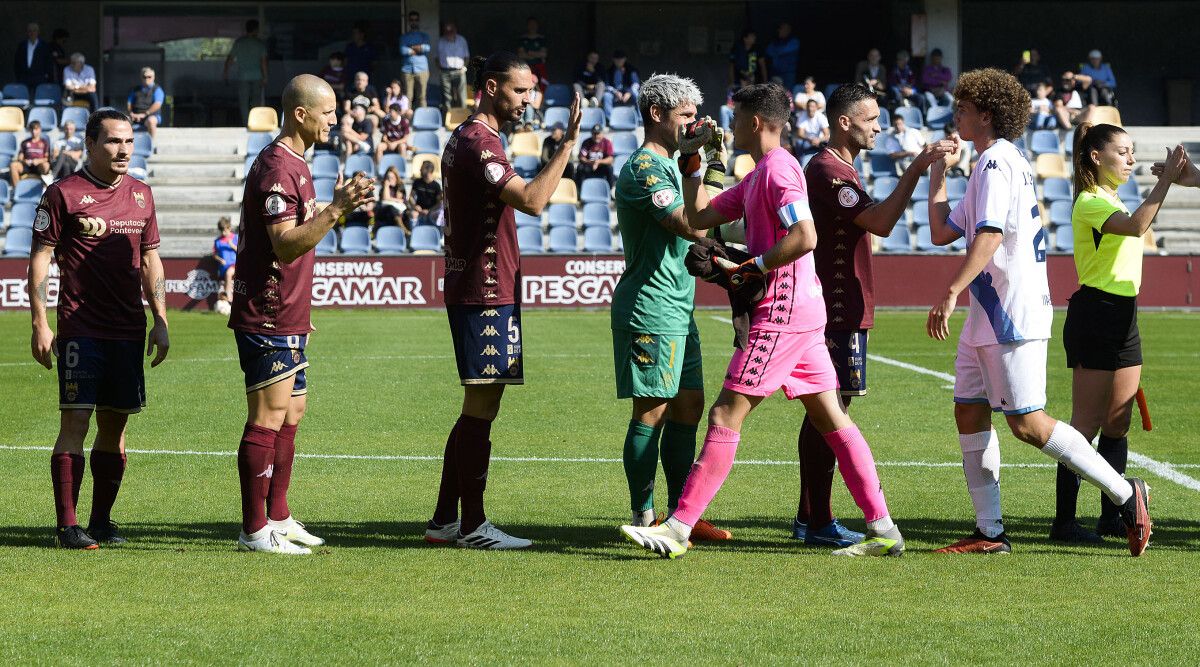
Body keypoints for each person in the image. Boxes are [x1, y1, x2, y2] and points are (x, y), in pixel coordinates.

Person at [621, 83, 906, 559]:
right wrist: (694, 162)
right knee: (832, 418)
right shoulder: (758, 175)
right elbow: (700, 214)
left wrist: (749, 268)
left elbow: (806, 236)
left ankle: (677, 528)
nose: (728, 126)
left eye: (735, 118)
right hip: (803, 312)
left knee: (724, 414)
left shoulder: (779, 170)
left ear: (754, 122)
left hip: (782, 314)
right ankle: (884, 529)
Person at [924, 67, 1151, 557]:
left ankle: (1127, 494)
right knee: (968, 409)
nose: (954, 113)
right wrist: (937, 173)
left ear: (985, 113)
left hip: (1010, 311)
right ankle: (990, 533)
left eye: (962, 107)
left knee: (1028, 424)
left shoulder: (994, 164)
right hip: (989, 312)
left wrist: (950, 290)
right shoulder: (995, 161)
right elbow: (943, 231)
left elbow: (989, 235)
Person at [424, 51, 581, 550]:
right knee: (481, 404)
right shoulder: (478, 142)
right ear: (491, 87)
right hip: (483, 290)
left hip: (486, 286)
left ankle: (445, 520)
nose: (529, 100)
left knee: (478, 405)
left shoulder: (475, 138)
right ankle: (473, 526)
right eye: (520, 90)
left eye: (532, 91)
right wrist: (567, 145)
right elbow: (533, 201)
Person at [792, 83, 956, 548]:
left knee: (828, 412)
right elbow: (881, 223)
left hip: (846, 308)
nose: (880, 127)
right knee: (829, 413)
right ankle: (815, 520)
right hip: (837, 310)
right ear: (844, 122)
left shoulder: (842, 168)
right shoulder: (827, 170)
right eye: (871, 120)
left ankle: (812, 517)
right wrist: (916, 169)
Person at [228, 74, 375, 555]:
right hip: (266, 312)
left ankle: (279, 515)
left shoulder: (299, 164)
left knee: (292, 410)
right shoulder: (277, 167)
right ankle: (255, 530)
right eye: (329, 111)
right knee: (267, 417)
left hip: (289, 312)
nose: (337, 119)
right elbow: (285, 246)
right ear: (301, 114)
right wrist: (336, 210)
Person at [28, 107, 169, 549]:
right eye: (112, 141)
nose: (123, 149)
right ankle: (67, 528)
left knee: (115, 428)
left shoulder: (143, 195)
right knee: (76, 421)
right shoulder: (63, 194)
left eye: (128, 141)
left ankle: (102, 522)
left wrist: (161, 319)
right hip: (81, 328)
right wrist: (40, 321)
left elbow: (150, 261)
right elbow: (40, 260)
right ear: (90, 144)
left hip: (128, 330)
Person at [610, 73, 732, 540]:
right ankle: (643, 515)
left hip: (680, 305)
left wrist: (705, 165)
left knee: (689, 406)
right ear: (656, 114)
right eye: (684, 116)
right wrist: (698, 169)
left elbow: (708, 213)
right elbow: (693, 225)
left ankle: (683, 516)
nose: (693, 124)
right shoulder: (645, 168)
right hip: (650, 306)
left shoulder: (675, 166)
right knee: (652, 410)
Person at [1050, 126, 1186, 542]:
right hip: (1097, 315)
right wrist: (1166, 179)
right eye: (1122, 152)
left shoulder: (1110, 197)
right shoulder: (1090, 201)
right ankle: (1064, 523)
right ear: (1095, 157)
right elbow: (1137, 226)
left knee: (1117, 423)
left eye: (1132, 153)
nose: (1130, 160)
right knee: (1084, 426)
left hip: (1124, 314)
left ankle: (1113, 515)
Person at [224, 20, 269, 125]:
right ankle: (255, 124)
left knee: (243, 103)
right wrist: (265, 77)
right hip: (257, 77)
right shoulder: (259, 44)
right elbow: (263, 62)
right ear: (256, 30)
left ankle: (245, 124)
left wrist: (225, 73)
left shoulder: (239, 43)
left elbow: (229, 60)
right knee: (256, 103)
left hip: (242, 77)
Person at [399, 10, 431, 109]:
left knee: (422, 96)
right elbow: (403, 50)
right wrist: (419, 48)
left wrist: (411, 47)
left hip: (422, 69)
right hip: (407, 69)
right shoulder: (404, 37)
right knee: (408, 97)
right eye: (412, 20)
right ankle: (408, 121)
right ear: (409, 21)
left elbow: (427, 48)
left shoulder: (424, 36)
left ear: (418, 21)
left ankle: (423, 119)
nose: (414, 22)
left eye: (416, 20)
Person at [437, 22, 469, 112]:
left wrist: (464, 67)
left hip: (459, 70)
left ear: (455, 30)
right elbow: (436, 58)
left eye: (451, 30)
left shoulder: (462, 40)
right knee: (447, 97)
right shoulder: (441, 41)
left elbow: (467, 56)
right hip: (445, 71)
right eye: (447, 30)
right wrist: (440, 69)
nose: (449, 32)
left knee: (461, 95)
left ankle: (463, 116)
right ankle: (449, 117)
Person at [10, 120, 51, 188]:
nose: (34, 131)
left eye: (36, 129)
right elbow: (20, 158)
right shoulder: (25, 142)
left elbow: (47, 158)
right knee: (13, 165)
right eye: (32, 129)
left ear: (40, 129)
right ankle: (16, 189)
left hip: (39, 166)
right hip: (27, 166)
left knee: (46, 165)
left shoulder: (44, 142)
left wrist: (38, 161)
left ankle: (46, 186)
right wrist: (24, 161)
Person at [126, 67, 165, 139]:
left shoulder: (157, 90)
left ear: (153, 77)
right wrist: (131, 113)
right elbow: (129, 103)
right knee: (123, 120)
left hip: (151, 115)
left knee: (151, 121)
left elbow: (157, 104)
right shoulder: (135, 89)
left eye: (149, 77)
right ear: (141, 77)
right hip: (135, 116)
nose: (147, 79)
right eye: (144, 77)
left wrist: (144, 114)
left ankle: (151, 145)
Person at [13, 22, 54, 89]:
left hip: (40, 78)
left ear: (38, 32)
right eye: (30, 31)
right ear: (27, 32)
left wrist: (48, 78)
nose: (32, 33)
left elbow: (49, 63)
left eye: (34, 30)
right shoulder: (22, 45)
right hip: (24, 78)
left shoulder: (44, 46)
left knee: (40, 97)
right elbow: (17, 62)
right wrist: (19, 76)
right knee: (24, 97)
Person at [603, 51, 640, 120]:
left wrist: (629, 92)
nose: (619, 61)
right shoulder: (609, 71)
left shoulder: (631, 70)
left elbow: (636, 84)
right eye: (617, 59)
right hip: (614, 93)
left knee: (637, 94)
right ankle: (610, 119)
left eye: (621, 59)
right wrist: (615, 92)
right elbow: (606, 85)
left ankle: (640, 119)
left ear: (625, 59)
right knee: (606, 96)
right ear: (613, 60)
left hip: (629, 93)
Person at [764, 22, 799, 90]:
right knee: (774, 92)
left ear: (788, 30)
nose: (779, 31)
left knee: (788, 94)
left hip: (788, 74)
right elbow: (768, 51)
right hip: (775, 72)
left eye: (782, 29)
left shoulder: (794, 41)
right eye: (779, 29)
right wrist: (778, 52)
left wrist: (777, 51)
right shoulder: (775, 41)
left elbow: (783, 51)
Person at [517, 18, 548, 92]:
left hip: (539, 67)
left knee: (542, 87)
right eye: (530, 24)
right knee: (526, 86)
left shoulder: (541, 39)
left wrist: (530, 53)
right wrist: (537, 54)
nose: (532, 26)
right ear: (527, 26)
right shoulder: (523, 39)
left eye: (534, 24)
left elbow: (544, 54)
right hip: (526, 67)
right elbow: (521, 55)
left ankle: (541, 103)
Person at [212, 216, 238, 306]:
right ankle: (226, 302)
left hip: (235, 265)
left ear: (229, 228)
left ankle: (229, 299)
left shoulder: (236, 238)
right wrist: (220, 260)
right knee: (226, 279)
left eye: (225, 230)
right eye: (221, 231)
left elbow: (242, 251)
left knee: (229, 273)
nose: (223, 233)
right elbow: (214, 255)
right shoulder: (217, 241)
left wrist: (232, 246)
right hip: (223, 267)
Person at [408, 160, 442, 226]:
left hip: (431, 210)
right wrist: (415, 206)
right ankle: (413, 233)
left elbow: (439, 203)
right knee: (413, 214)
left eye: (422, 168)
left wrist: (429, 210)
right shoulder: (417, 182)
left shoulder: (436, 186)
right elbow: (411, 197)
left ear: (428, 171)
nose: (420, 170)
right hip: (418, 209)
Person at [376, 166, 409, 232]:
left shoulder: (400, 187)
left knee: (407, 212)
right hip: (386, 211)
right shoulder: (384, 187)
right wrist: (386, 186)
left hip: (399, 211)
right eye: (388, 178)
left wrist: (392, 199)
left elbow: (403, 201)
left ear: (396, 177)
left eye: (392, 178)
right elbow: (385, 199)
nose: (390, 180)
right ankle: (403, 229)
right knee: (391, 208)